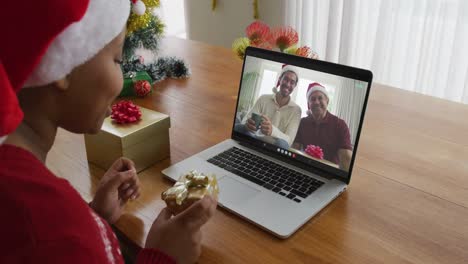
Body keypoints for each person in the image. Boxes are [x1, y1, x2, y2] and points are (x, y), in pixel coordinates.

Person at [0, 1, 216, 263]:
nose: (123, 77)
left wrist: (94, 217)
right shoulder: (54, 228)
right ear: (64, 64)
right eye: (117, 59)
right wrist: (162, 256)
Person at [235, 65, 301, 149]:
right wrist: (247, 124)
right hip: (254, 139)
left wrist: (272, 131)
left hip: (274, 148)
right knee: (238, 127)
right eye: (285, 79)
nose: (288, 84)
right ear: (280, 79)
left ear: (295, 86)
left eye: (292, 82)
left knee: (283, 144)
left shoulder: (296, 110)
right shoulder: (263, 98)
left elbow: (289, 140)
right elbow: (245, 120)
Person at [292, 83, 353, 171]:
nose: (316, 102)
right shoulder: (302, 123)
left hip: (328, 171)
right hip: (305, 168)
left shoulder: (340, 125)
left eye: (320, 98)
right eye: (312, 99)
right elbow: (295, 149)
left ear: (327, 101)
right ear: (309, 104)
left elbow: (346, 158)